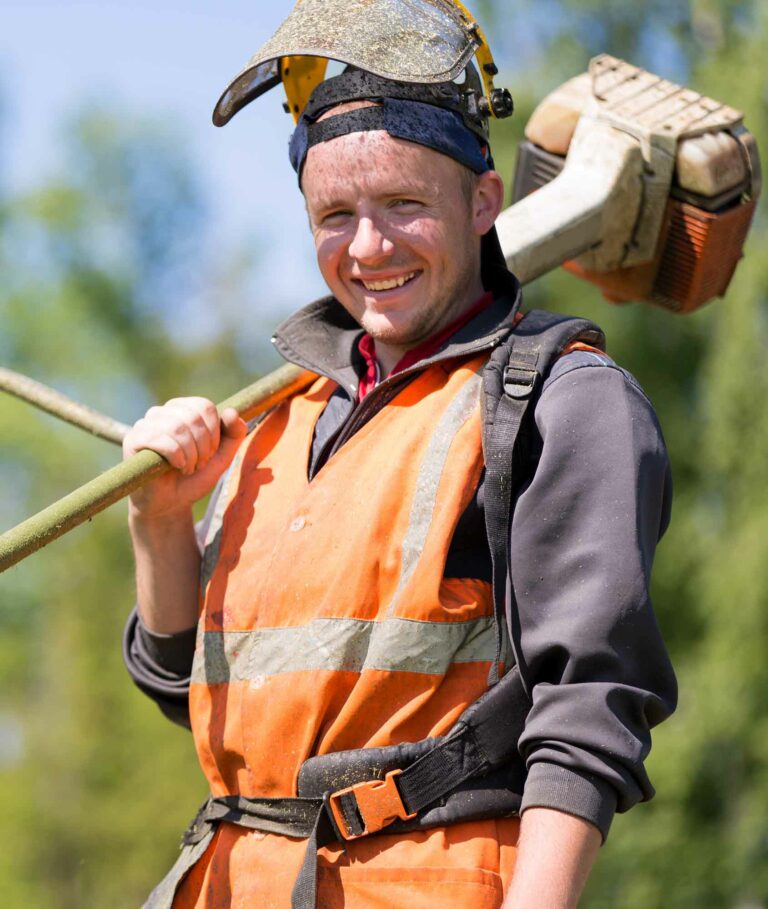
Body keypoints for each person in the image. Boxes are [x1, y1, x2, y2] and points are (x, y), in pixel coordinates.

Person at [122, 65, 677, 909]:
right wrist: (158, 518)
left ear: (484, 203)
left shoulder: (565, 398)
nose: (370, 247)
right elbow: (183, 687)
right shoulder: (281, 415)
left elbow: (589, 709)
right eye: (335, 217)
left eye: (404, 204)